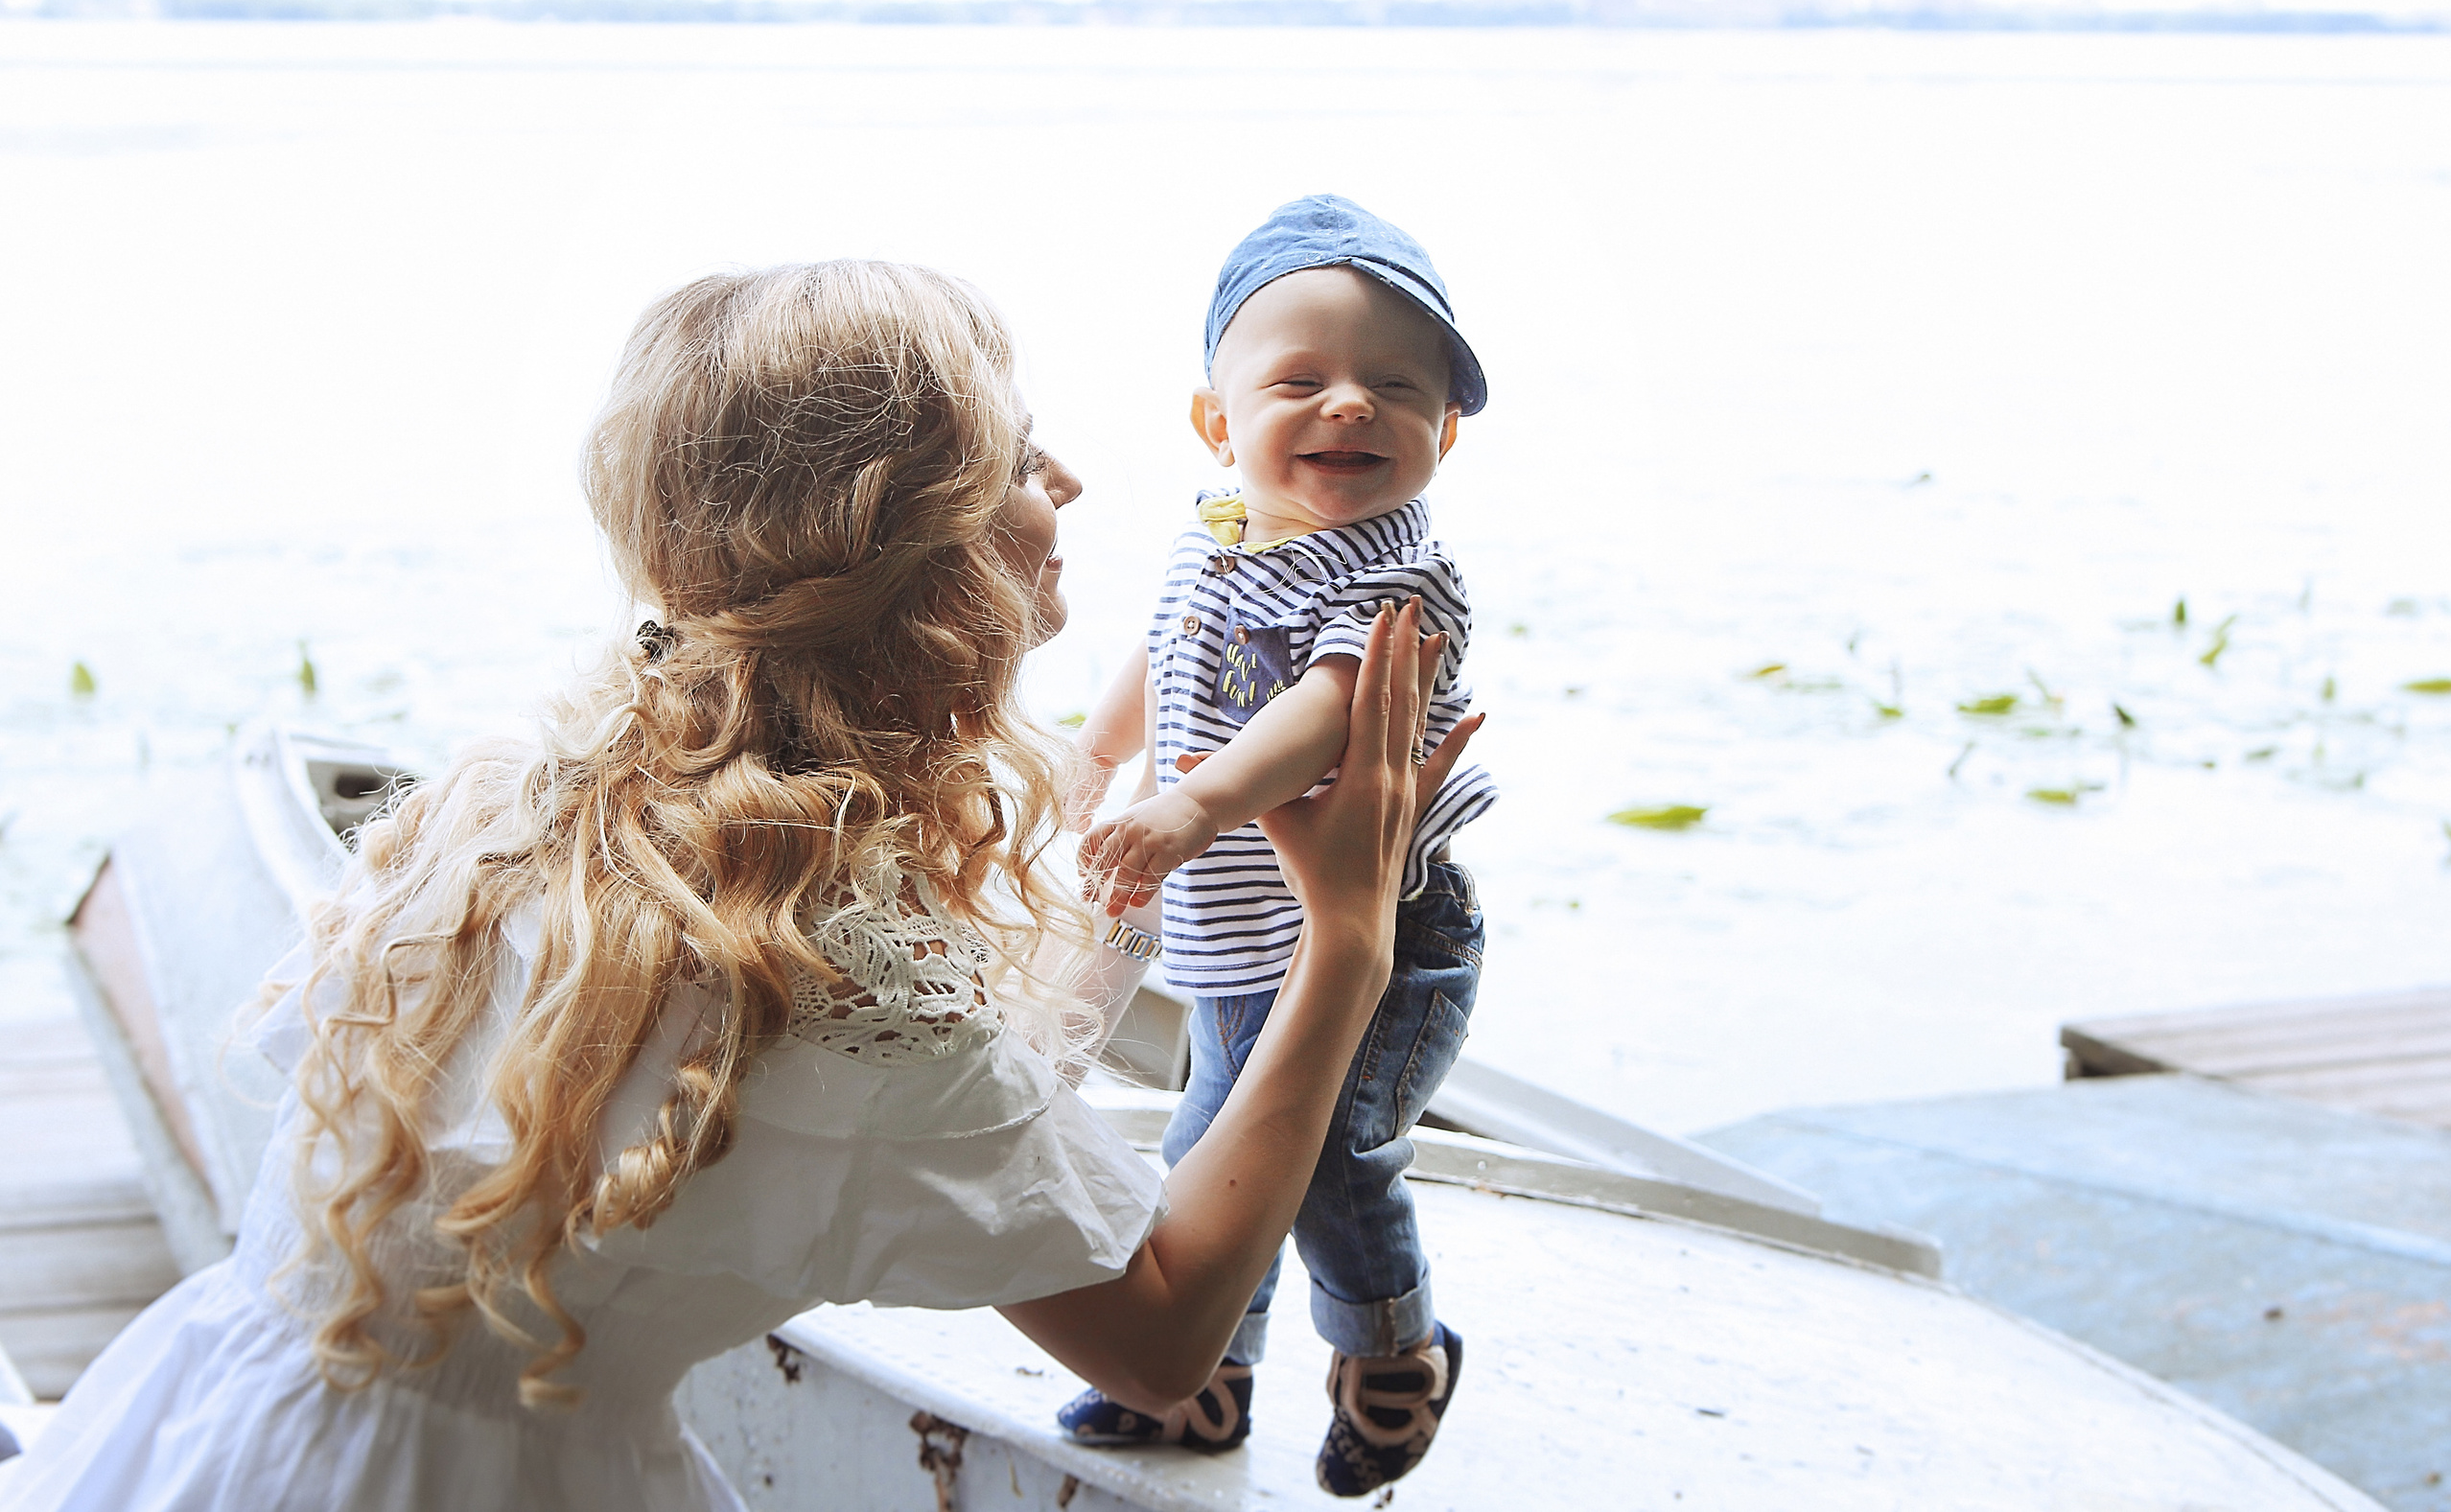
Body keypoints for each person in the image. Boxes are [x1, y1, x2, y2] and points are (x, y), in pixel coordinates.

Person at [0, 261, 1474, 1512]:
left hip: (213, 1428)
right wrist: (1346, 941)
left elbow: (948, 1073)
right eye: (1025, 460)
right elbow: (1160, 1341)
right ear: (923, 555)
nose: (1070, 483)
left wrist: (1122, 848)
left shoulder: (520, 790)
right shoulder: (832, 977)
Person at [1065, 196, 1495, 1496]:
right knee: (1217, 1153)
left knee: (1323, 1162)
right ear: (1218, 422)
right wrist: (1090, 756)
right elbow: (1167, 641)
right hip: (1242, 924)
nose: (1350, 404)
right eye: (1301, 382)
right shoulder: (1222, 533)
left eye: (1396, 387)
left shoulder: (1401, 575)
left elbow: (1324, 707)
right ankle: (1205, 1372)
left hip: (1373, 929)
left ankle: (1394, 1349)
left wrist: (1192, 807)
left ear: (1446, 430)